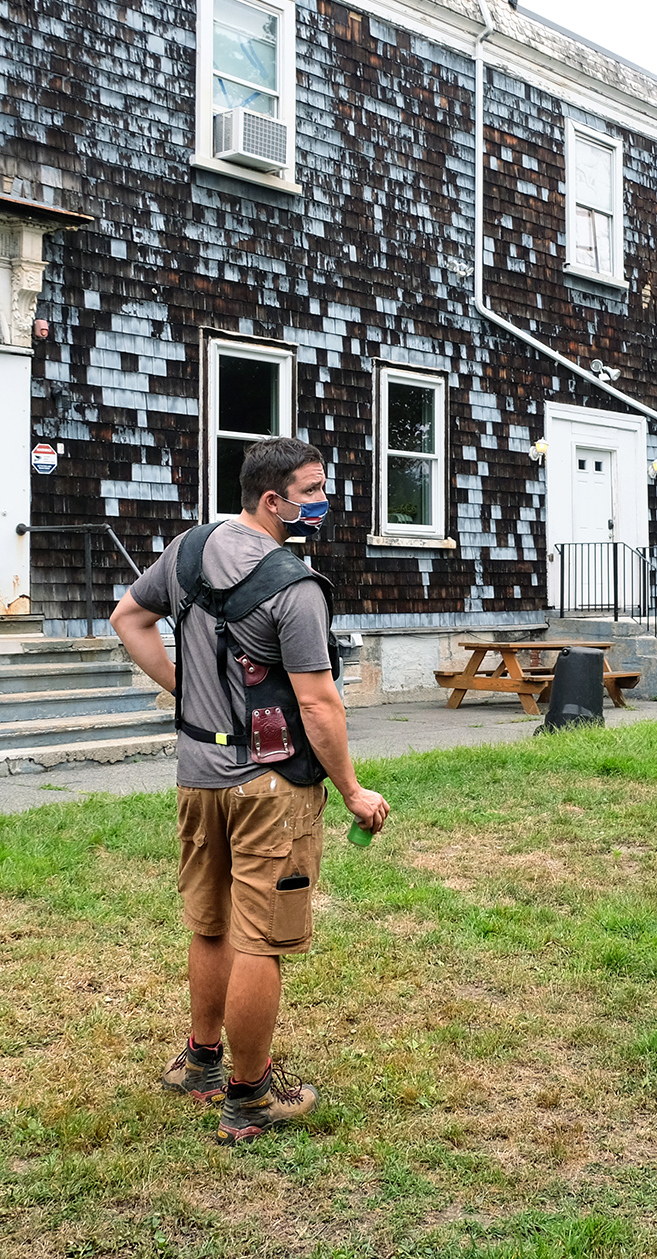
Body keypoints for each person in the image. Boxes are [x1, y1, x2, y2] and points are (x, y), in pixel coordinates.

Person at [110, 437, 389, 1144]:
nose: (323, 503)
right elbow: (320, 707)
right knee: (261, 939)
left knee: (211, 924)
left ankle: (201, 1061)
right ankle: (251, 1094)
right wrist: (353, 790)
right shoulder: (294, 588)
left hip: (198, 775)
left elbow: (128, 619)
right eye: (314, 490)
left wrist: (188, 696)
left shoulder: (188, 551)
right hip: (272, 787)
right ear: (274, 500)